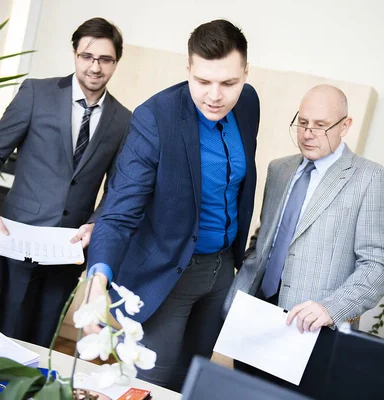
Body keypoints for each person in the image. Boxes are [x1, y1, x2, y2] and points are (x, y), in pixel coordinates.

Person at [84, 19, 260, 391]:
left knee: (192, 381)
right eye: (203, 81)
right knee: (150, 384)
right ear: (188, 69)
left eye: (229, 83)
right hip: (168, 270)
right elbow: (119, 211)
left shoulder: (249, 104)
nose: (215, 95)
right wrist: (97, 281)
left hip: (222, 270)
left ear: (246, 73)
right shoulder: (155, 118)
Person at [0, 17, 131, 347]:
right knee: (5, 333)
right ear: (75, 54)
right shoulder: (36, 93)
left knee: (44, 340)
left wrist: (94, 223)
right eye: (87, 56)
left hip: (69, 248)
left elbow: (116, 188)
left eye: (105, 59)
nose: (95, 67)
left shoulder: (124, 120)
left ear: (116, 62)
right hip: (18, 238)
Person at [225, 84, 384, 386]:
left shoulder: (371, 179)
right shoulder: (279, 169)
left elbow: (379, 266)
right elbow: (265, 238)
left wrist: (331, 308)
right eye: (302, 123)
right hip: (255, 316)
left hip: (312, 329)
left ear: (345, 126)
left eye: (320, 126)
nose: (307, 133)